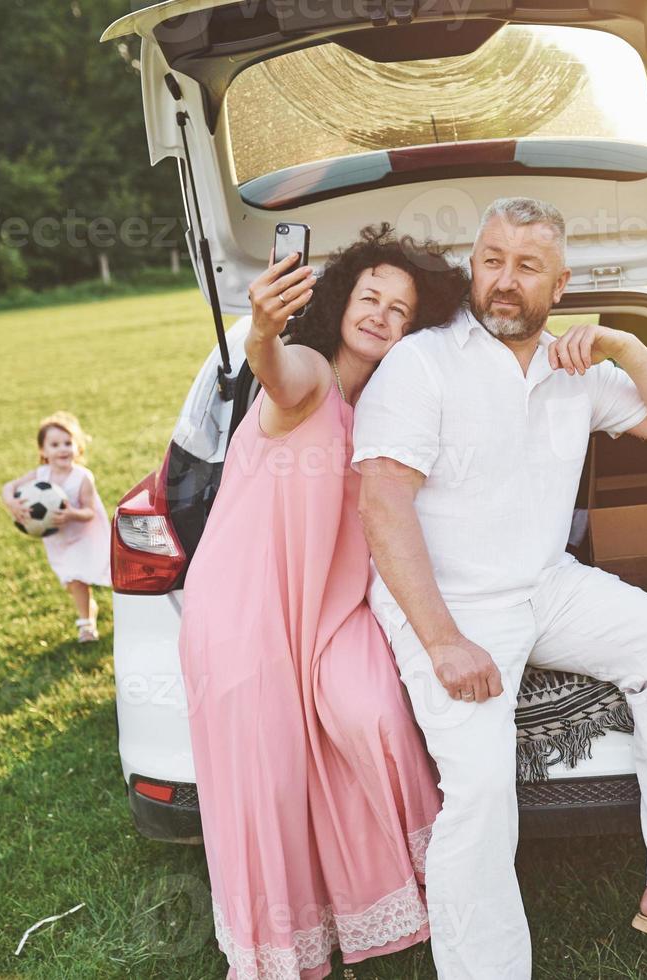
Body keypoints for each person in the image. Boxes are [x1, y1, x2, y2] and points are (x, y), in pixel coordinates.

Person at [352, 197, 647, 975]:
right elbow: (380, 502)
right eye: (490, 260)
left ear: (561, 284)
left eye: (526, 266)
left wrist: (623, 343)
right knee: (481, 793)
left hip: (547, 585)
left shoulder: (576, 369)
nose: (503, 281)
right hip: (452, 604)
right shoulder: (423, 363)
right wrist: (443, 640)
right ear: (472, 266)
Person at [178, 224, 470, 980]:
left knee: (373, 714)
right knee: (269, 786)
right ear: (341, 302)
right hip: (248, 610)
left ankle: (441, 882)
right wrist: (265, 332)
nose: (380, 314)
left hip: (334, 609)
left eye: (400, 310)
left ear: (417, 327)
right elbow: (277, 372)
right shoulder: (311, 374)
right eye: (370, 296)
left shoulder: (396, 405)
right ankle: (283, 954)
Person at [1, 410, 111, 642]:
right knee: (72, 582)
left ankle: (86, 626)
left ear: (77, 447)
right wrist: (11, 502)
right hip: (58, 541)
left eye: (67, 443)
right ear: (43, 451)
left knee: (79, 578)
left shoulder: (82, 477)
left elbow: (90, 512)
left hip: (83, 537)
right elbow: (8, 487)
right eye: (54, 444)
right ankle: (89, 610)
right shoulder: (41, 475)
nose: (62, 449)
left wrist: (72, 514)